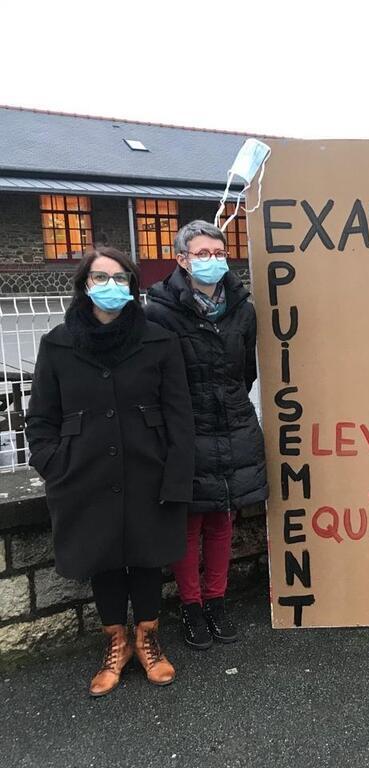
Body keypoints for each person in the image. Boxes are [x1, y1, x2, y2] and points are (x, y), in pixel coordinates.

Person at [26, 247, 194, 696]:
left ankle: (148, 640)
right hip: (84, 473)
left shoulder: (158, 340)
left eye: (121, 278)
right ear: (84, 285)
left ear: (132, 286)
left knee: (146, 556)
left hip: (148, 468)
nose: (112, 287)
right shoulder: (57, 344)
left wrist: (176, 474)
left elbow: (179, 415)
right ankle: (115, 643)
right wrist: (54, 464)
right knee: (103, 560)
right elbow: (40, 418)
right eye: (101, 278)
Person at [146, 221, 268, 650]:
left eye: (218, 253)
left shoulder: (242, 309)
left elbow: (245, 371)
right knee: (189, 523)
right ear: (181, 259)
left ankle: (217, 600)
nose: (213, 260)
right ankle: (191, 605)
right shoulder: (158, 311)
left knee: (223, 518)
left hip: (232, 424)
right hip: (186, 429)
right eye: (202, 254)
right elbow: (154, 380)